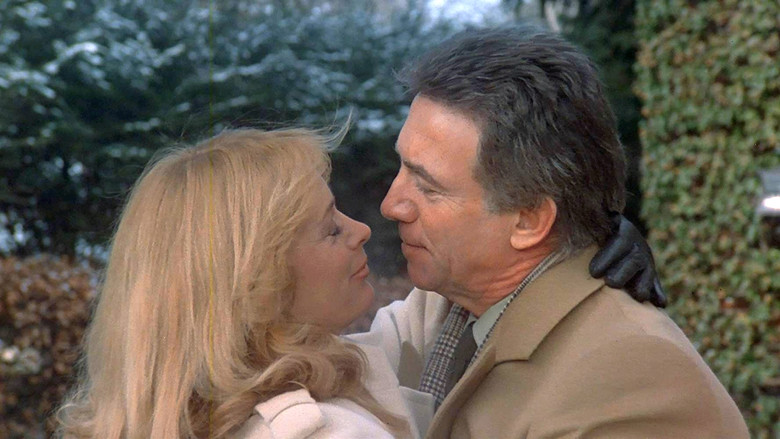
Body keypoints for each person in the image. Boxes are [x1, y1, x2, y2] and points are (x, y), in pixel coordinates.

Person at [55, 125, 661, 439]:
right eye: (328, 228)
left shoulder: (207, 402)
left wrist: (563, 241)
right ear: (257, 283)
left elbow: (428, 324)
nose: (364, 228)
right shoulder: (320, 432)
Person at [367, 26, 750, 438]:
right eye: (402, 167)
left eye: (428, 187)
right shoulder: (446, 307)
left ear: (529, 220)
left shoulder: (629, 381)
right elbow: (331, 369)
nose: (391, 205)